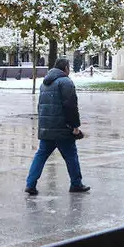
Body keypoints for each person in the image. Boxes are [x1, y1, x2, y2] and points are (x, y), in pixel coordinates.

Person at [25, 58, 89, 195]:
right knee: (71, 156)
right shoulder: (66, 82)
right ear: (65, 68)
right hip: (62, 129)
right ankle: (76, 184)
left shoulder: (44, 83)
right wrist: (75, 127)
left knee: (41, 155)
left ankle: (30, 184)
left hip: (46, 129)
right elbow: (71, 106)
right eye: (69, 67)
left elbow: (40, 107)